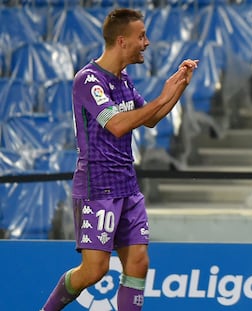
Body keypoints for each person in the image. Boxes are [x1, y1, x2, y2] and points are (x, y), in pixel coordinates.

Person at [40, 8, 198, 311]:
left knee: (138, 263)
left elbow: (150, 119)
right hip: (98, 187)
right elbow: (118, 125)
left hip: (127, 185)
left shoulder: (123, 80)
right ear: (122, 41)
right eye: (141, 36)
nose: (147, 42)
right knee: (94, 271)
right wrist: (163, 95)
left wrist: (177, 88)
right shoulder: (88, 80)